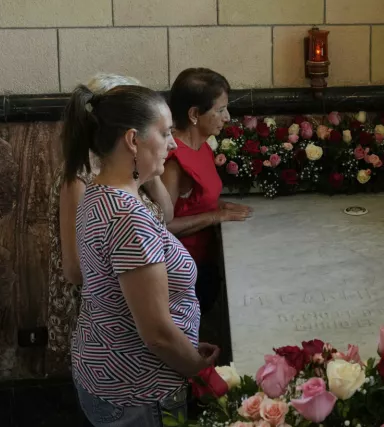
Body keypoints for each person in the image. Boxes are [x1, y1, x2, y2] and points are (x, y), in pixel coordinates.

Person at [62, 84, 218, 426]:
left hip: (106, 368)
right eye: (164, 133)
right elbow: (158, 335)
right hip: (139, 391)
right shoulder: (127, 218)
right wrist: (194, 364)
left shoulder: (100, 191)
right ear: (133, 140)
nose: (174, 143)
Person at [46, 74, 175, 372]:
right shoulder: (83, 175)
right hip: (104, 312)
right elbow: (75, 268)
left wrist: (151, 173)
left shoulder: (128, 168)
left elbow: (166, 215)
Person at [163, 68, 251, 315]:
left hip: (207, 261)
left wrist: (221, 205)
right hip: (183, 273)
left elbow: (195, 201)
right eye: (220, 110)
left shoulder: (201, 146)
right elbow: (161, 226)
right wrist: (216, 216)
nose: (227, 117)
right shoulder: (174, 160)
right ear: (194, 114)